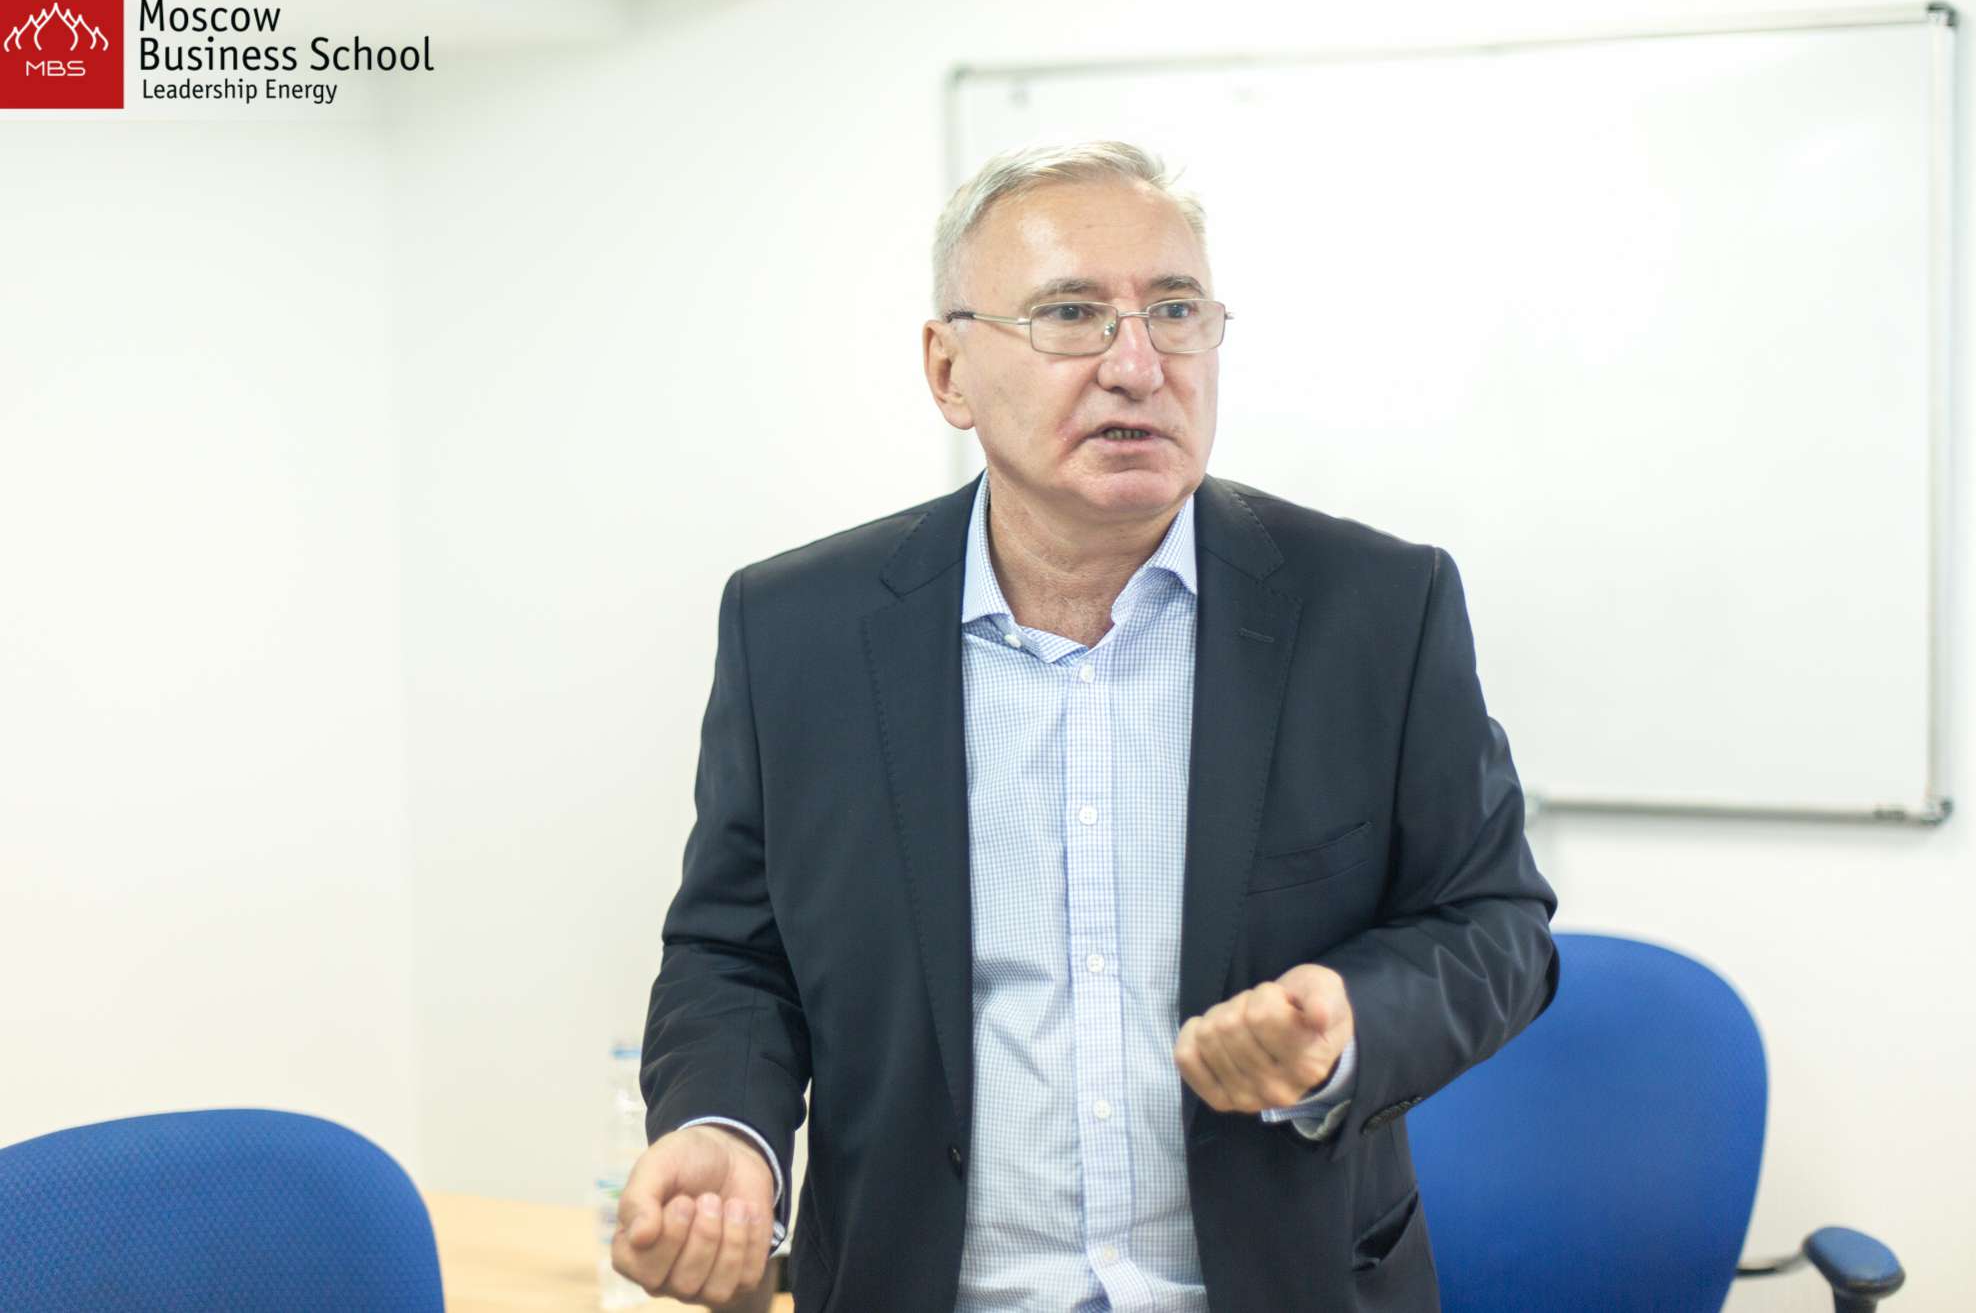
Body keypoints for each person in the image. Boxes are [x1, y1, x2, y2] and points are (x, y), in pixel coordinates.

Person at [611, 139, 1559, 1313]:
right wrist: (725, 1125)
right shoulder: (798, 628)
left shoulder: (1375, 608)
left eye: (1176, 311)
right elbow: (733, 951)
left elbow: (1492, 922)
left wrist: (1348, 1022)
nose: (1137, 365)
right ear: (948, 370)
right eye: (1070, 314)